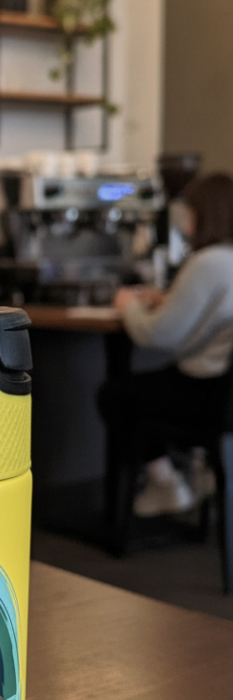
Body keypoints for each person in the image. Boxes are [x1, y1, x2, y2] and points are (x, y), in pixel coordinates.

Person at [99, 172, 233, 516]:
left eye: (189, 214)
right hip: (224, 392)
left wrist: (128, 305)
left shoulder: (208, 262)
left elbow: (158, 335)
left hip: (208, 395)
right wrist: (169, 300)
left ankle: (166, 484)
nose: (184, 224)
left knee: (115, 395)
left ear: (204, 215)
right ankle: (204, 472)